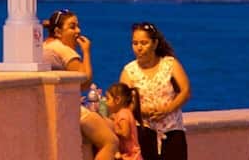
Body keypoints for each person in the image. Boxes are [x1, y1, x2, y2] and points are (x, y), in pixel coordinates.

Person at [43, 9, 117, 160]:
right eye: (72, 27)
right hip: (70, 109)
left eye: (77, 26)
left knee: (87, 144)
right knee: (110, 142)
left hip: (55, 107)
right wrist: (87, 52)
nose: (78, 31)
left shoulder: (45, 46)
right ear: (57, 31)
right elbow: (85, 82)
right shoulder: (63, 50)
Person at [122, 22, 191, 160]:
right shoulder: (129, 71)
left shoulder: (170, 64)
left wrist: (167, 109)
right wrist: (142, 111)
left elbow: (185, 91)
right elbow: (123, 102)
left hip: (172, 131)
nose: (139, 48)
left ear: (154, 44)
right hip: (143, 132)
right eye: (135, 43)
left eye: (144, 43)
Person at [104, 83, 144, 160]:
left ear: (117, 100)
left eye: (108, 99)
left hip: (132, 156)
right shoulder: (124, 112)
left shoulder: (123, 114)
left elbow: (125, 133)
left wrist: (113, 129)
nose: (106, 103)